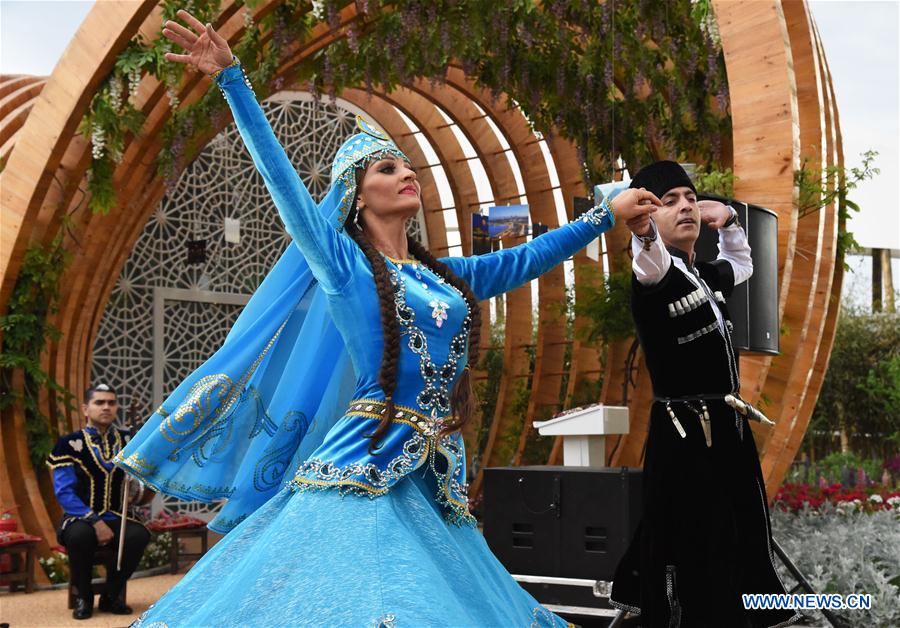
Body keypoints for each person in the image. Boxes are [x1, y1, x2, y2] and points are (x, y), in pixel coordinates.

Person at [114, 10, 658, 626]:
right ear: (355, 192)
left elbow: (528, 257)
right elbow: (283, 183)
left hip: (431, 476)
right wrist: (234, 80)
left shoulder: (447, 274)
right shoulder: (343, 265)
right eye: (387, 168)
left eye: (408, 166)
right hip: (361, 468)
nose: (408, 174)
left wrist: (602, 215)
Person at [608, 161, 799, 627]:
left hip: (726, 428)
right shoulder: (654, 272)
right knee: (699, 538)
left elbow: (742, 265)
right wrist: (642, 232)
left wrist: (730, 221)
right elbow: (647, 256)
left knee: (742, 528)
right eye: (669, 201)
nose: (686, 207)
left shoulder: (703, 274)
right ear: (647, 215)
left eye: (690, 199)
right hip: (686, 433)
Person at [47, 384, 154, 620]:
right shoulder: (69, 444)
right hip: (80, 517)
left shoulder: (130, 441)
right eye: (99, 402)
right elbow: (64, 492)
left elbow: (144, 477)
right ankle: (83, 597)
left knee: (139, 535)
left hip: (118, 515)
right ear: (86, 408)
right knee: (80, 536)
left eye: (111, 402)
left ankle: (111, 595)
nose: (106, 407)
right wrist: (95, 521)